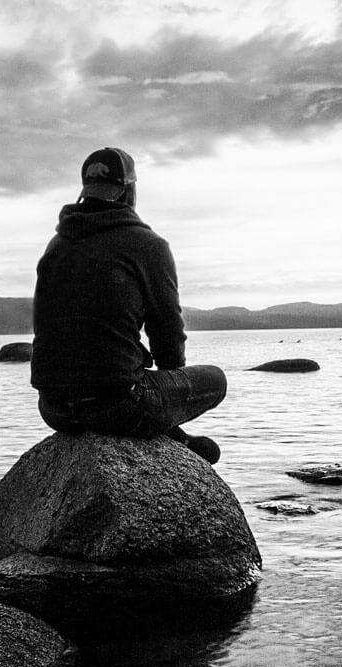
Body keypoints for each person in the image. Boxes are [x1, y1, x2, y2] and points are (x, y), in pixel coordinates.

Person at [30, 146, 226, 464]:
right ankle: (172, 435)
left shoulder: (57, 245)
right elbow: (167, 333)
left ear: (85, 192)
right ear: (129, 190)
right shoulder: (147, 245)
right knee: (215, 379)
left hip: (53, 409)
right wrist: (168, 389)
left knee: (132, 378)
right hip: (117, 405)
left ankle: (172, 435)